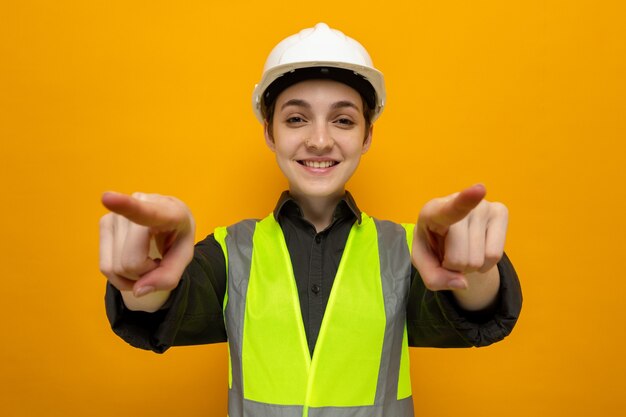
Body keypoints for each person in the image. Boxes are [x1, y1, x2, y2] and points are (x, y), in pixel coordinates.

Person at [100, 23, 522, 417]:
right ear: (269, 132)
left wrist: (477, 270)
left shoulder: (409, 252)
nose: (320, 140)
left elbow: (476, 314)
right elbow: (158, 310)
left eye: (343, 120)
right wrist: (144, 273)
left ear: (367, 136)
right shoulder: (230, 252)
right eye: (296, 118)